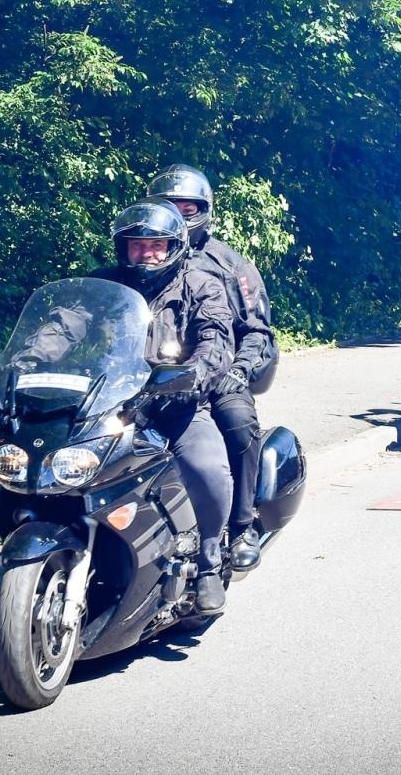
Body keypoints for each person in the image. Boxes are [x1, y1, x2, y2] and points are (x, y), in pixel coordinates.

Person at [93, 199, 236, 613]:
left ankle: (208, 564)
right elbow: (63, 328)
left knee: (207, 468)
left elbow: (215, 339)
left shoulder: (201, 284)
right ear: (123, 248)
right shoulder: (105, 287)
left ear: (175, 246)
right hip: (107, 403)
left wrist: (192, 376)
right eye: (137, 245)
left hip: (175, 404)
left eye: (156, 244)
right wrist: (33, 360)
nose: (146, 252)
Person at [145, 164, 277, 571]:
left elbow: (258, 331)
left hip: (218, 369)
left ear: (204, 211)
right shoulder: (145, 253)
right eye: (169, 207)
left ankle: (242, 525)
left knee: (236, 421)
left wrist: (239, 370)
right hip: (146, 371)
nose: (179, 216)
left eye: (188, 208)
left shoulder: (232, 266)